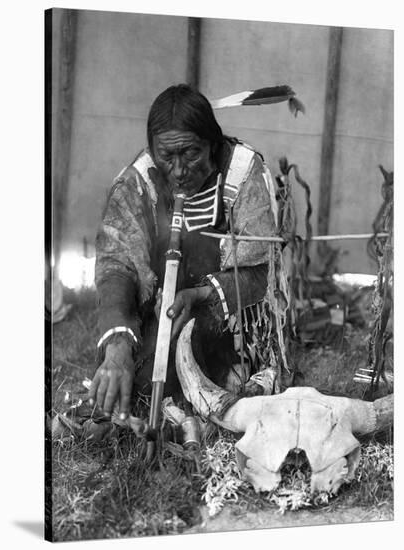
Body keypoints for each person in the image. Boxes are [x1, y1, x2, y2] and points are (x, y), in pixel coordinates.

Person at [88, 84, 278, 421]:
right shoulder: (139, 179)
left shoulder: (242, 172)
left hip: (228, 316)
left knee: (177, 381)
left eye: (190, 153)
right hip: (160, 309)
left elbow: (260, 272)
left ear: (212, 143)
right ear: (152, 149)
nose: (178, 170)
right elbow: (116, 264)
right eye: (167, 156)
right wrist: (117, 346)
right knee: (136, 377)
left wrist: (203, 294)